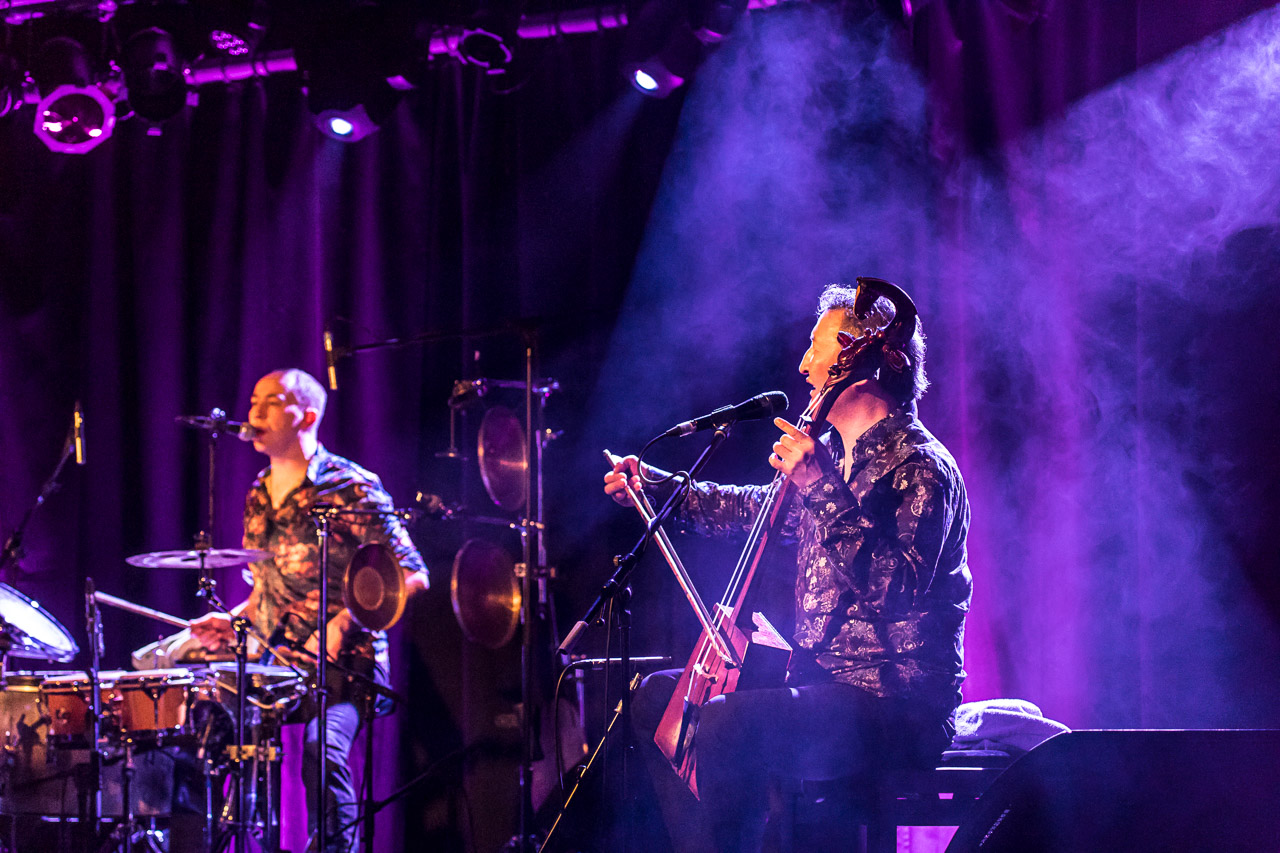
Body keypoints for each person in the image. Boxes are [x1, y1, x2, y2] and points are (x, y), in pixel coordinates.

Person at [604, 280, 971, 852]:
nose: (803, 366)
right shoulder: (834, 458)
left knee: (727, 721)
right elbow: (752, 509)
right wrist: (657, 487)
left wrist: (820, 485)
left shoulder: (921, 465)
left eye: (816, 348)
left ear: (863, 361)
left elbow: (898, 590)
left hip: (896, 705)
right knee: (658, 699)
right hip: (821, 686)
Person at [190, 368, 429, 852]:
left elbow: (412, 575)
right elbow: (267, 590)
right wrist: (234, 622)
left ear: (308, 416)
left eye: (272, 401)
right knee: (211, 731)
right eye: (253, 400)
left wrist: (345, 620)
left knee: (322, 750)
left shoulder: (350, 485)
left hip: (347, 665)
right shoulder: (257, 492)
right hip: (277, 664)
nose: (255, 412)